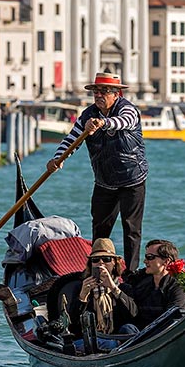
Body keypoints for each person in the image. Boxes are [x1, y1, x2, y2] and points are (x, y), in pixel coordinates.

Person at [47, 73, 148, 273]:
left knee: (131, 230)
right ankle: (96, 270)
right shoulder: (87, 115)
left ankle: (130, 275)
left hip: (132, 179)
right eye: (96, 92)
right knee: (100, 230)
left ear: (116, 93)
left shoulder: (127, 109)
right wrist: (58, 159)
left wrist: (103, 123)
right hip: (104, 181)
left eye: (104, 91)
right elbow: (71, 140)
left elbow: (124, 122)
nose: (99, 95)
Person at [51, 238, 137, 338]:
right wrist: (83, 297)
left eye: (106, 259)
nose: (101, 263)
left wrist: (113, 288)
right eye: (95, 260)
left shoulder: (124, 288)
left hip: (118, 337)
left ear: (114, 263)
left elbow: (133, 314)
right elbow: (73, 323)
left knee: (128, 329)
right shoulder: (81, 287)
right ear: (90, 264)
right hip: (90, 338)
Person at [119, 239, 185, 332]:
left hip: (162, 335)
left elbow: (175, 319)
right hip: (136, 334)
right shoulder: (142, 282)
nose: (145, 261)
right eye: (146, 257)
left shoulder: (177, 286)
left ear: (166, 261)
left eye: (150, 257)